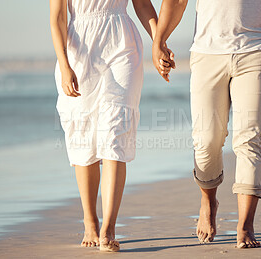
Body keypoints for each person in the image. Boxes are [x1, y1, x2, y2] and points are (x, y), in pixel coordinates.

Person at [152, 0, 261, 248]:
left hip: (255, 51)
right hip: (207, 53)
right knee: (206, 141)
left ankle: (245, 225)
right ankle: (208, 201)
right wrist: (159, 41)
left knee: (249, 140)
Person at [50, 0, 165, 252]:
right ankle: (90, 220)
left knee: (116, 132)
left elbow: (143, 4)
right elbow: (58, 17)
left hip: (121, 42)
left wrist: (159, 42)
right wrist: (65, 63)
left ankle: (109, 228)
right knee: (84, 137)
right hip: (79, 48)